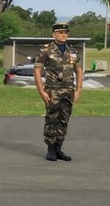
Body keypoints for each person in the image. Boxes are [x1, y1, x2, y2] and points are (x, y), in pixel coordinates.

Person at [34, 21, 83, 162]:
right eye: (61, 33)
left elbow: (79, 70)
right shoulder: (46, 50)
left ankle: (58, 147)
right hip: (52, 90)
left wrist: (79, 89)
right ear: (53, 34)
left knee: (64, 118)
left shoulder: (72, 51)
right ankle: (50, 148)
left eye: (65, 33)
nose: (64, 35)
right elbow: (37, 70)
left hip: (68, 90)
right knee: (52, 118)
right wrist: (40, 90)